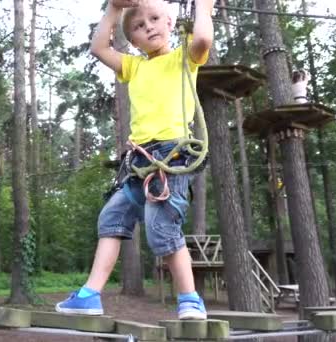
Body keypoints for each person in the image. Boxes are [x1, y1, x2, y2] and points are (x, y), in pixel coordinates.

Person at [55, 0, 214, 320]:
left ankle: (190, 298)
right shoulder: (134, 66)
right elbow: (99, 47)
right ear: (133, 39)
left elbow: (203, 41)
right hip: (138, 160)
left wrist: (204, 7)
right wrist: (114, 9)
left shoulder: (184, 57)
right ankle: (89, 295)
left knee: (161, 229)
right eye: (139, 26)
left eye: (154, 19)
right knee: (111, 218)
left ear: (170, 22)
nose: (148, 27)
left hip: (171, 156)